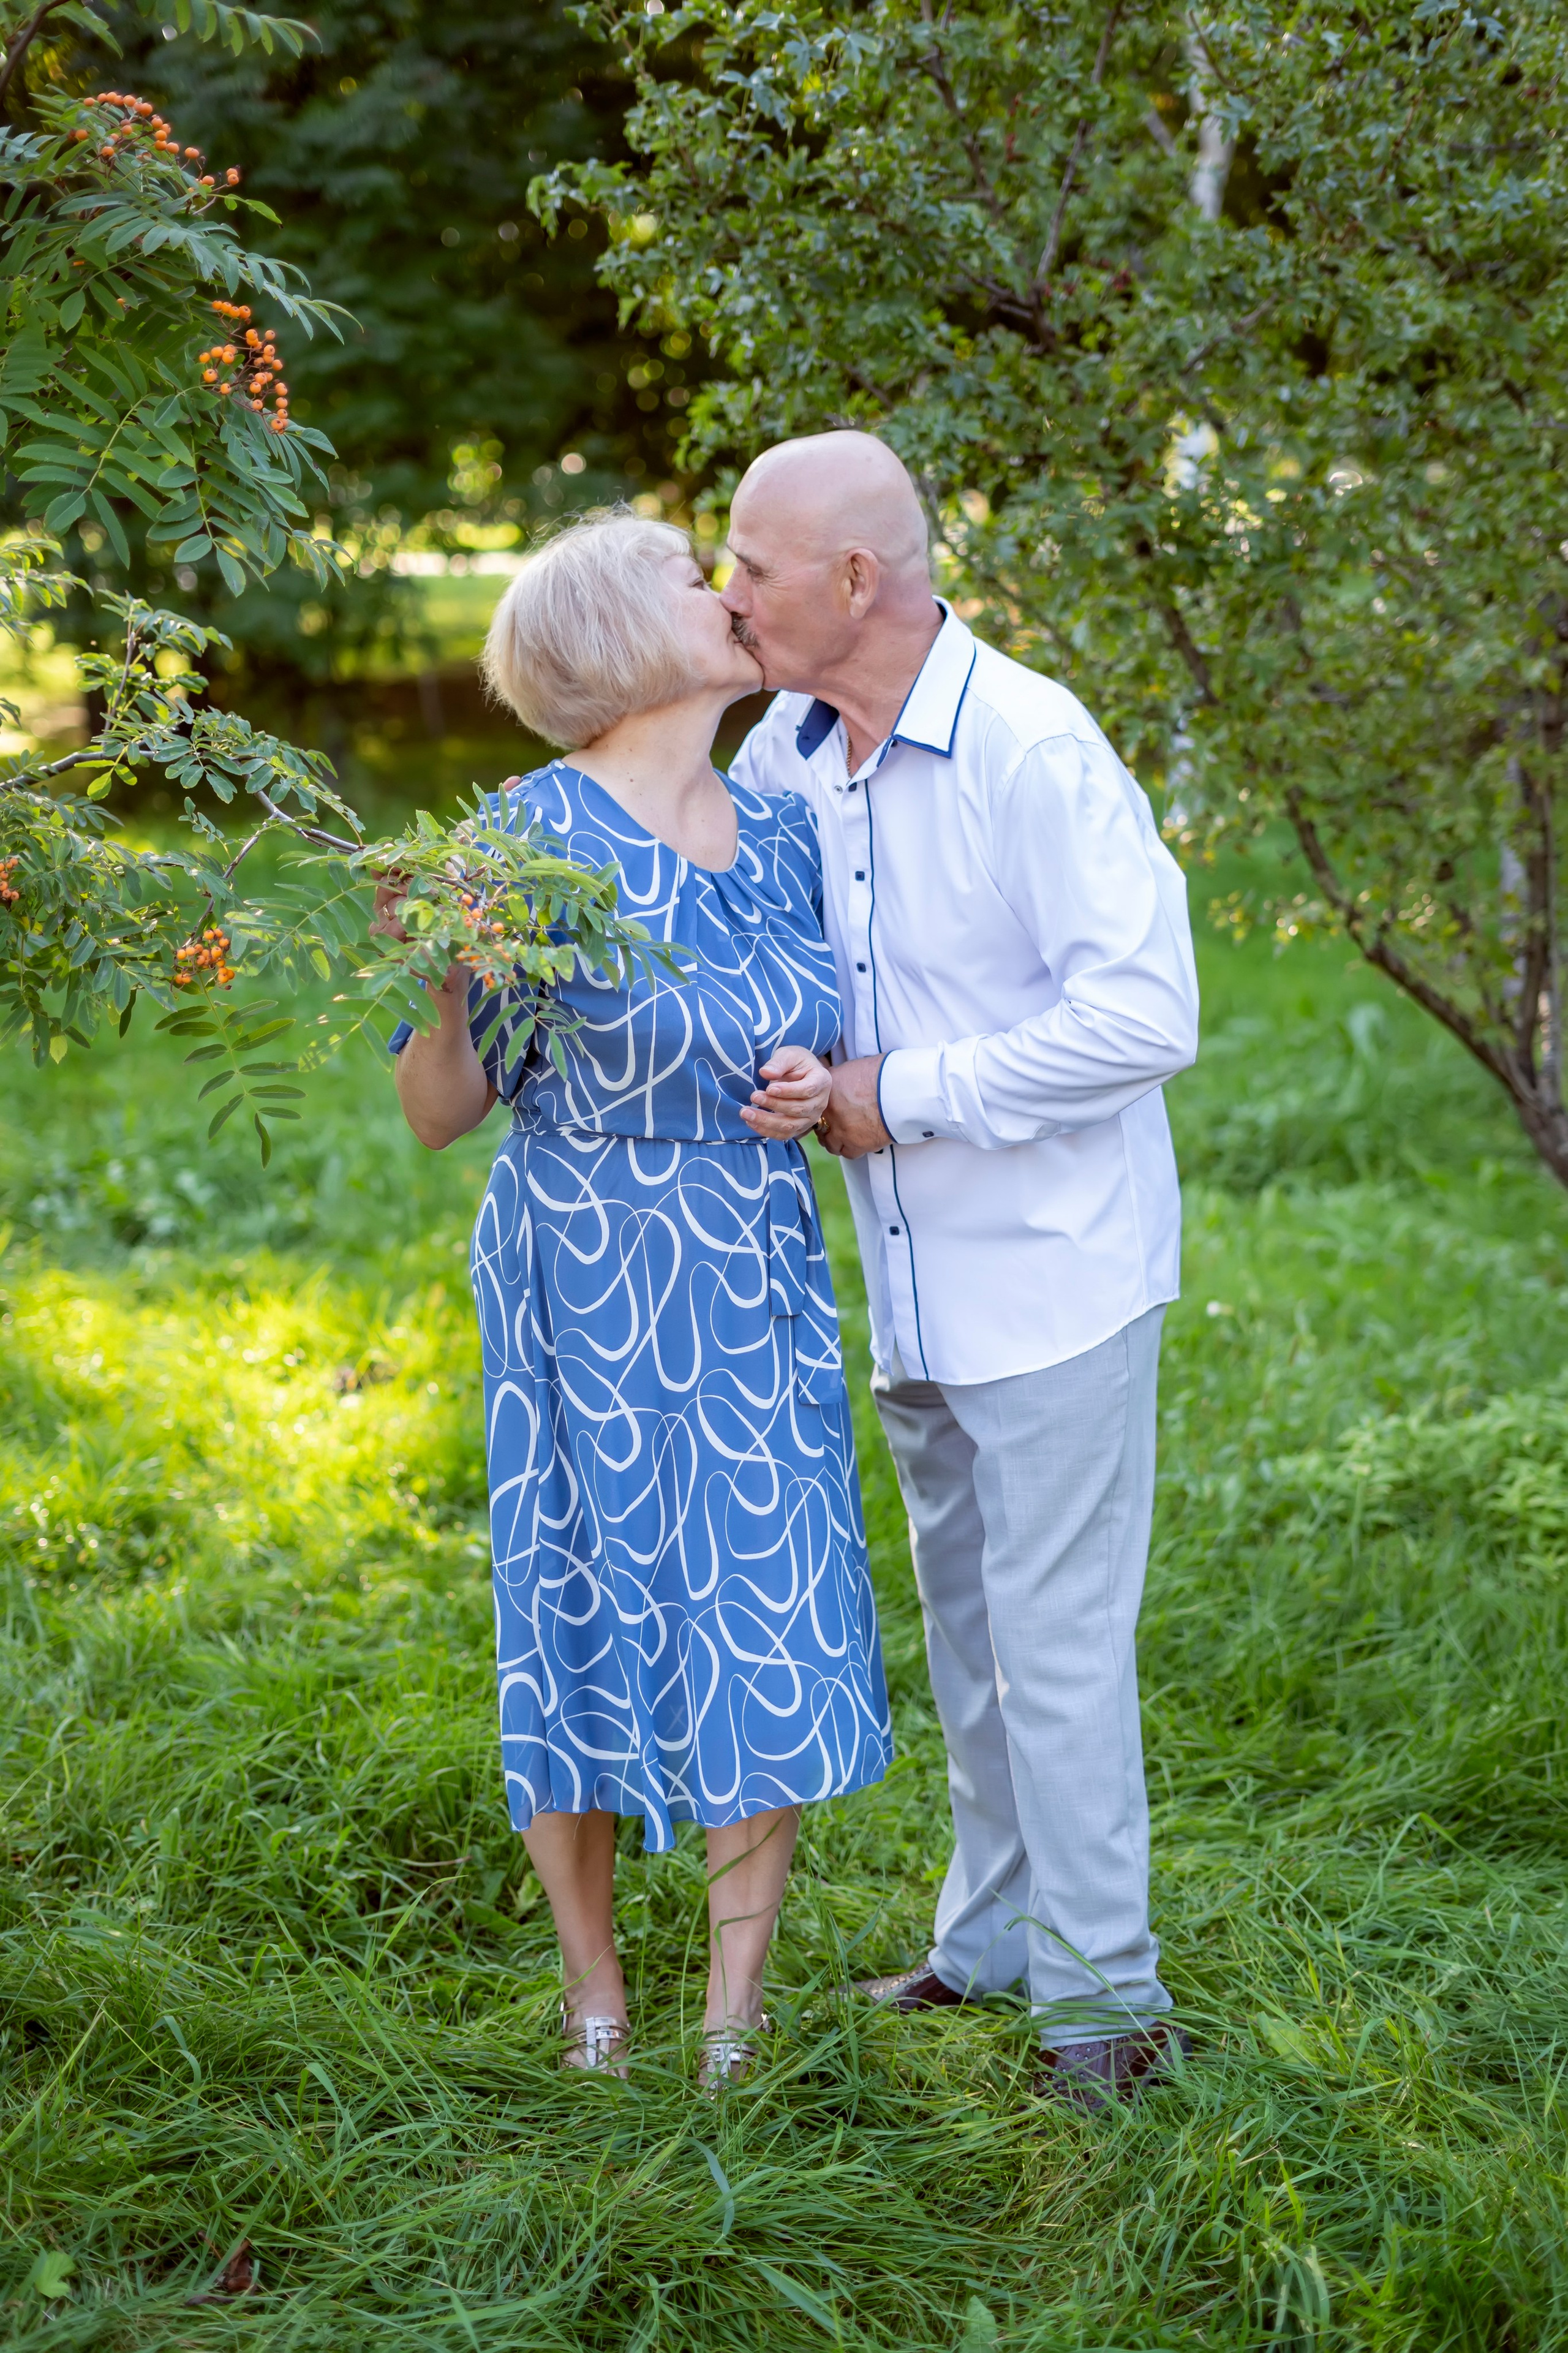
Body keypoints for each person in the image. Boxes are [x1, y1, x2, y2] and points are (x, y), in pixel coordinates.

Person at [723, 432, 1200, 2110]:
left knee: (1057, 1651)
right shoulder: (788, 757)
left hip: (1055, 1283)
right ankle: (991, 1942)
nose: (731, 594)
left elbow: (1148, 1018)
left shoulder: (1030, 747)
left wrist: (892, 1098)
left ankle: (1106, 2010)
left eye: (753, 565)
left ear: (855, 579)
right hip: (914, 1292)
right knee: (972, 1639)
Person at [384, 514, 892, 2085]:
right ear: (616, 634)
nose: (727, 594)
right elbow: (436, 1109)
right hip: (583, 1264)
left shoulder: (785, 829)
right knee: (580, 1609)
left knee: (767, 1601)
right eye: (694, 578)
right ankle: (593, 1989)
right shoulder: (513, 841)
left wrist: (812, 1082)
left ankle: (733, 2018)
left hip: (748, 1259)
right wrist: (446, 971)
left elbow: (801, 1032)